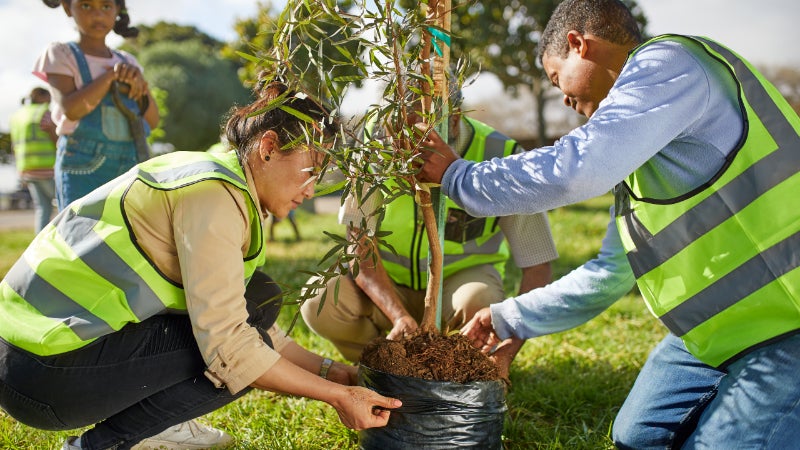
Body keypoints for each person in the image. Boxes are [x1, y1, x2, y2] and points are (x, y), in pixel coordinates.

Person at [417, 0, 800, 447]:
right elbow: (609, 273)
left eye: (557, 77)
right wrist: (507, 317)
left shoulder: (670, 63)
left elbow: (576, 168)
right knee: (634, 439)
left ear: (579, 44)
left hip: (788, 326)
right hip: (715, 336)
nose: (562, 97)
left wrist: (458, 176)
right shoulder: (641, 160)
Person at [0, 79, 401, 450]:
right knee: (239, 360)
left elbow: (242, 316)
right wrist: (339, 397)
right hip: (43, 374)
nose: (312, 189)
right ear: (267, 148)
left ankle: (154, 424)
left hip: (27, 353)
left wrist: (331, 372)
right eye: (311, 170)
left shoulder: (213, 174)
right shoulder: (212, 197)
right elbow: (234, 348)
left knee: (259, 299)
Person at [300, 96, 559, 378]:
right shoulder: (372, 147)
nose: (402, 147)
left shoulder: (501, 154)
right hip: (387, 285)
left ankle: (463, 372)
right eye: (395, 131)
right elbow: (359, 247)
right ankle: (384, 368)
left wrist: (506, 353)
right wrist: (398, 316)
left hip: (458, 288)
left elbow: (537, 265)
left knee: (478, 300)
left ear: (455, 119)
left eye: (417, 135)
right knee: (320, 301)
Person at [35, 0, 160, 210]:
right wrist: (111, 76)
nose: (97, 14)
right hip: (81, 166)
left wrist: (141, 87)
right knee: (82, 233)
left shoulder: (129, 62)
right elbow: (72, 110)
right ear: (68, 8)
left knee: (129, 235)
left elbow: (152, 121)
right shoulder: (61, 54)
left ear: (117, 10)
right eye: (85, 6)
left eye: (106, 7)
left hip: (131, 162)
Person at [9, 87, 58, 232]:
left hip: (27, 169)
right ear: (42, 97)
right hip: (47, 168)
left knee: (42, 207)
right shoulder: (43, 113)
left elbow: (14, 145)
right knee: (64, 205)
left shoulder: (18, 116)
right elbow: (57, 139)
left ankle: (39, 243)